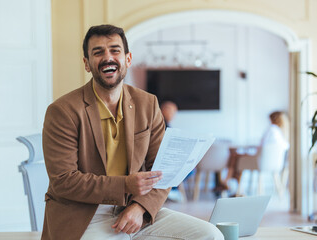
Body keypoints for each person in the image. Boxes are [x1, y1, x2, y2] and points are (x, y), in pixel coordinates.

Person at [41, 24, 223, 240]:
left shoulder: (148, 103)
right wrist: (125, 184)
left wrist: (139, 207)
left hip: (135, 209)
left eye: (115, 50)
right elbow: (64, 181)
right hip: (84, 215)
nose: (107, 57)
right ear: (87, 64)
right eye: (98, 52)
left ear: (128, 59)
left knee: (210, 235)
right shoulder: (62, 111)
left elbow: (161, 173)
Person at [217, 111, 290, 192]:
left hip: (260, 161)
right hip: (275, 163)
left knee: (235, 155)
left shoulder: (272, 129)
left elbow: (262, 145)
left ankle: (227, 182)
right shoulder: (282, 133)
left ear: (273, 119)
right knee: (238, 157)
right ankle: (229, 182)